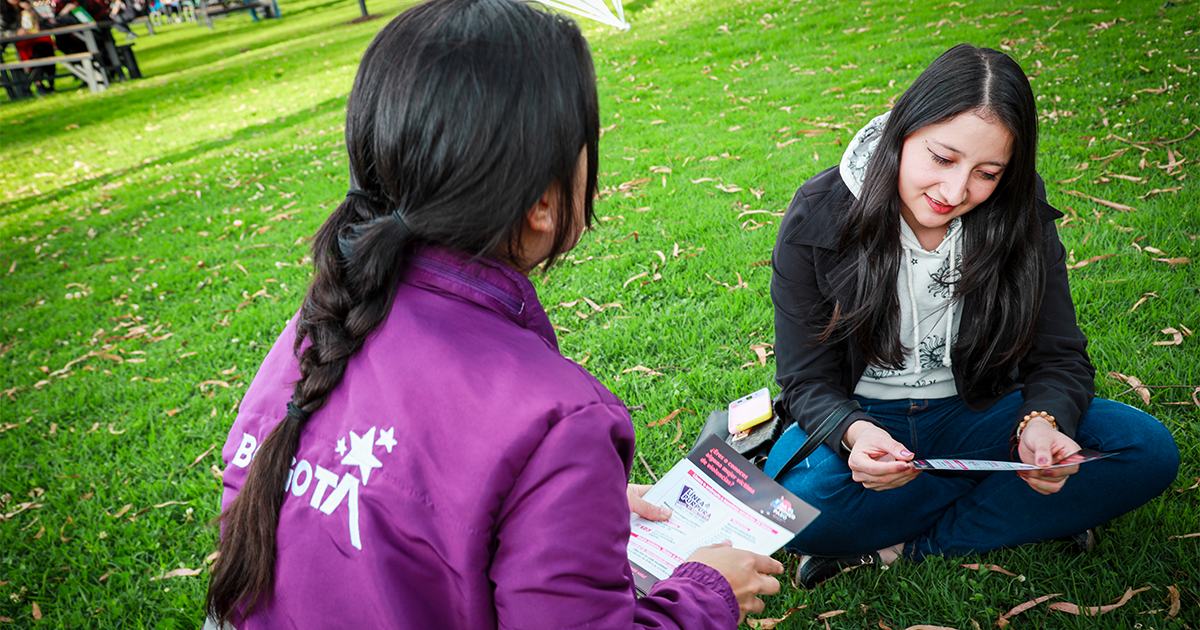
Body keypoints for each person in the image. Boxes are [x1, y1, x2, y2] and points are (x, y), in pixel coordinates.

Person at [204, 1, 782, 628]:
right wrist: (705, 590)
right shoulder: (557, 419)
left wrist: (560, 512)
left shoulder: (321, 325)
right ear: (540, 202)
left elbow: (401, 514)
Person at [766, 43, 1180, 589]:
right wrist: (854, 434)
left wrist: (1041, 423)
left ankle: (902, 547)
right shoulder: (820, 213)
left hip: (982, 413)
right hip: (872, 421)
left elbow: (1058, 354)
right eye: (941, 158)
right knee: (787, 516)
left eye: (987, 172)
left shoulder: (1020, 211)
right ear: (902, 131)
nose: (955, 191)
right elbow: (805, 380)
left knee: (1144, 450)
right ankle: (1017, 508)